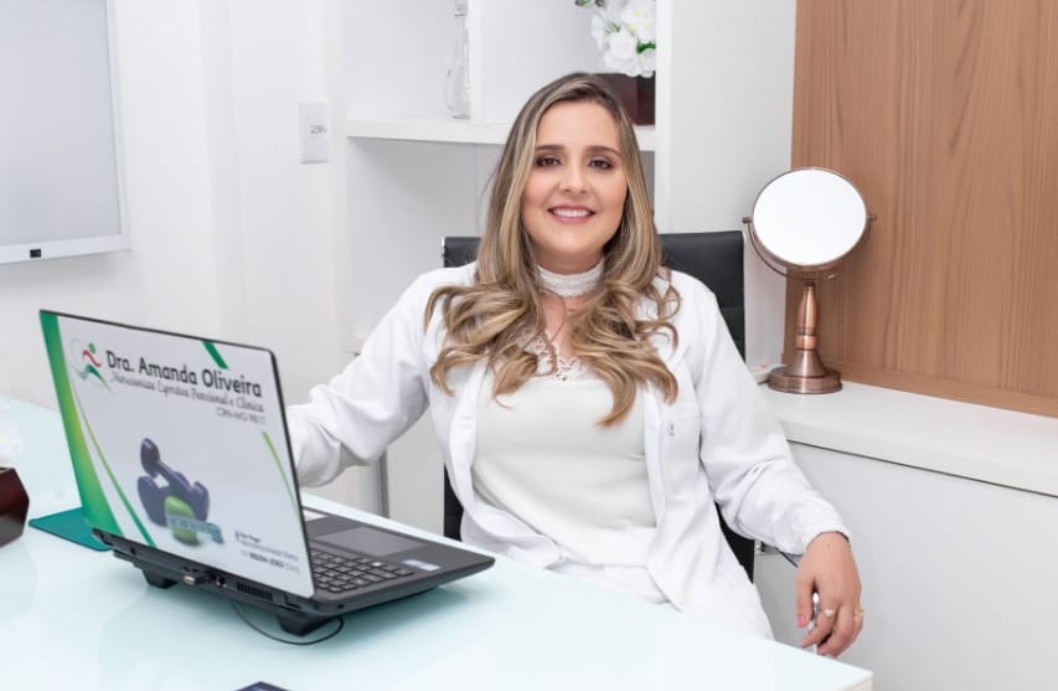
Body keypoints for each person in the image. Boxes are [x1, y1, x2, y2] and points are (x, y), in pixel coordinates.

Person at [287, 72, 863, 655]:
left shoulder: (685, 308)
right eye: (548, 160)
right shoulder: (443, 306)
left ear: (628, 187)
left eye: (601, 163)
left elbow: (752, 468)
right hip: (517, 620)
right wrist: (247, 449)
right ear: (517, 180)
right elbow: (334, 427)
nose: (574, 183)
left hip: (676, 619)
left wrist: (821, 532)